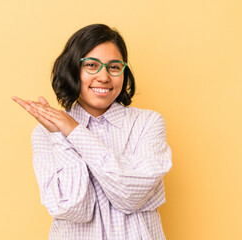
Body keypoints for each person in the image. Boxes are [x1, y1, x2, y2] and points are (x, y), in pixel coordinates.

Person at [12, 24, 172, 240]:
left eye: (114, 67)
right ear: (72, 70)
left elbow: (131, 195)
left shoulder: (147, 123)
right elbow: (74, 209)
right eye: (91, 65)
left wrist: (75, 132)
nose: (104, 76)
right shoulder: (46, 133)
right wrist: (61, 136)